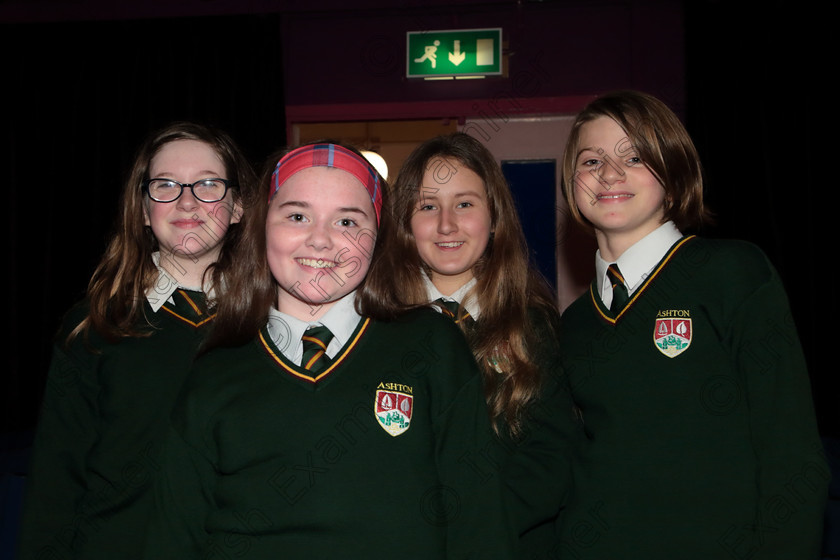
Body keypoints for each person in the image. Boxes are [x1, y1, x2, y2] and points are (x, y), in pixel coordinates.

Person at [142, 141, 515, 559]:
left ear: (378, 237)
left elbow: (479, 524)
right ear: (262, 226)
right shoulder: (214, 371)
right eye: (297, 216)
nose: (320, 240)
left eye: (347, 222)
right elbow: (172, 538)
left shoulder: (432, 346)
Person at [553, 90, 828, 559]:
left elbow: (791, 454)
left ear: (673, 172)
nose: (610, 173)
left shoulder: (733, 274)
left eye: (634, 156)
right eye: (591, 160)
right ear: (572, 183)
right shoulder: (573, 325)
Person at [17, 122, 256, 560]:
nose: (187, 200)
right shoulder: (95, 325)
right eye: (165, 185)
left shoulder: (274, 323)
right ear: (144, 209)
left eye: (208, 184)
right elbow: (56, 480)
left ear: (238, 206)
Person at [378, 132, 580, 558]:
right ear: (404, 223)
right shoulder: (376, 326)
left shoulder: (533, 322)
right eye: (428, 206)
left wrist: (474, 531)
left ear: (494, 217)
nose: (446, 224)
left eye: (465, 204)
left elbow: (551, 458)